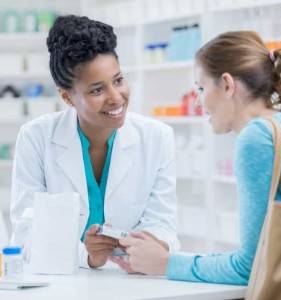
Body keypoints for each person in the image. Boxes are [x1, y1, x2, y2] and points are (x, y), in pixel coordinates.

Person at [113, 31, 281, 284]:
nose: (199, 102)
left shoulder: (258, 137)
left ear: (226, 84)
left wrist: (166, 263)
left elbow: (250, 267)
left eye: (201, 88)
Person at [10, 15, 179, 269]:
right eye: (97, 90)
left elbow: (163, 223)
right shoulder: (36, 138)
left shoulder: (157, 137)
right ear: (67, 97)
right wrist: (87, 256)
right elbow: (26, 234)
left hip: (130, 281)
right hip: (58, 283)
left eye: (118, 80)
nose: (116, 98)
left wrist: (147, 244)